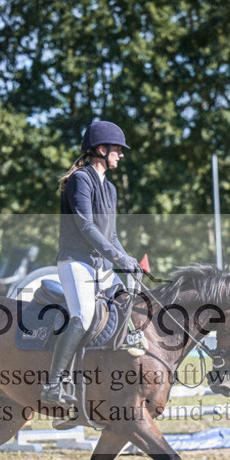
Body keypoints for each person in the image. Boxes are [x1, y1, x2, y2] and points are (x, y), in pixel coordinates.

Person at [40, 120, 141, 410]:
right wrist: (117, 257)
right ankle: (53, 384)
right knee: (82, 317)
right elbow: (86, 227)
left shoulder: (109, 189)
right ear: (100, 148)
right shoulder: (80, 180)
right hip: (76, 261)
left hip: (100, 265)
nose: (121, 155)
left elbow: (111, 235)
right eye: (117, 150)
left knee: (128, 302)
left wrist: (128, 259)